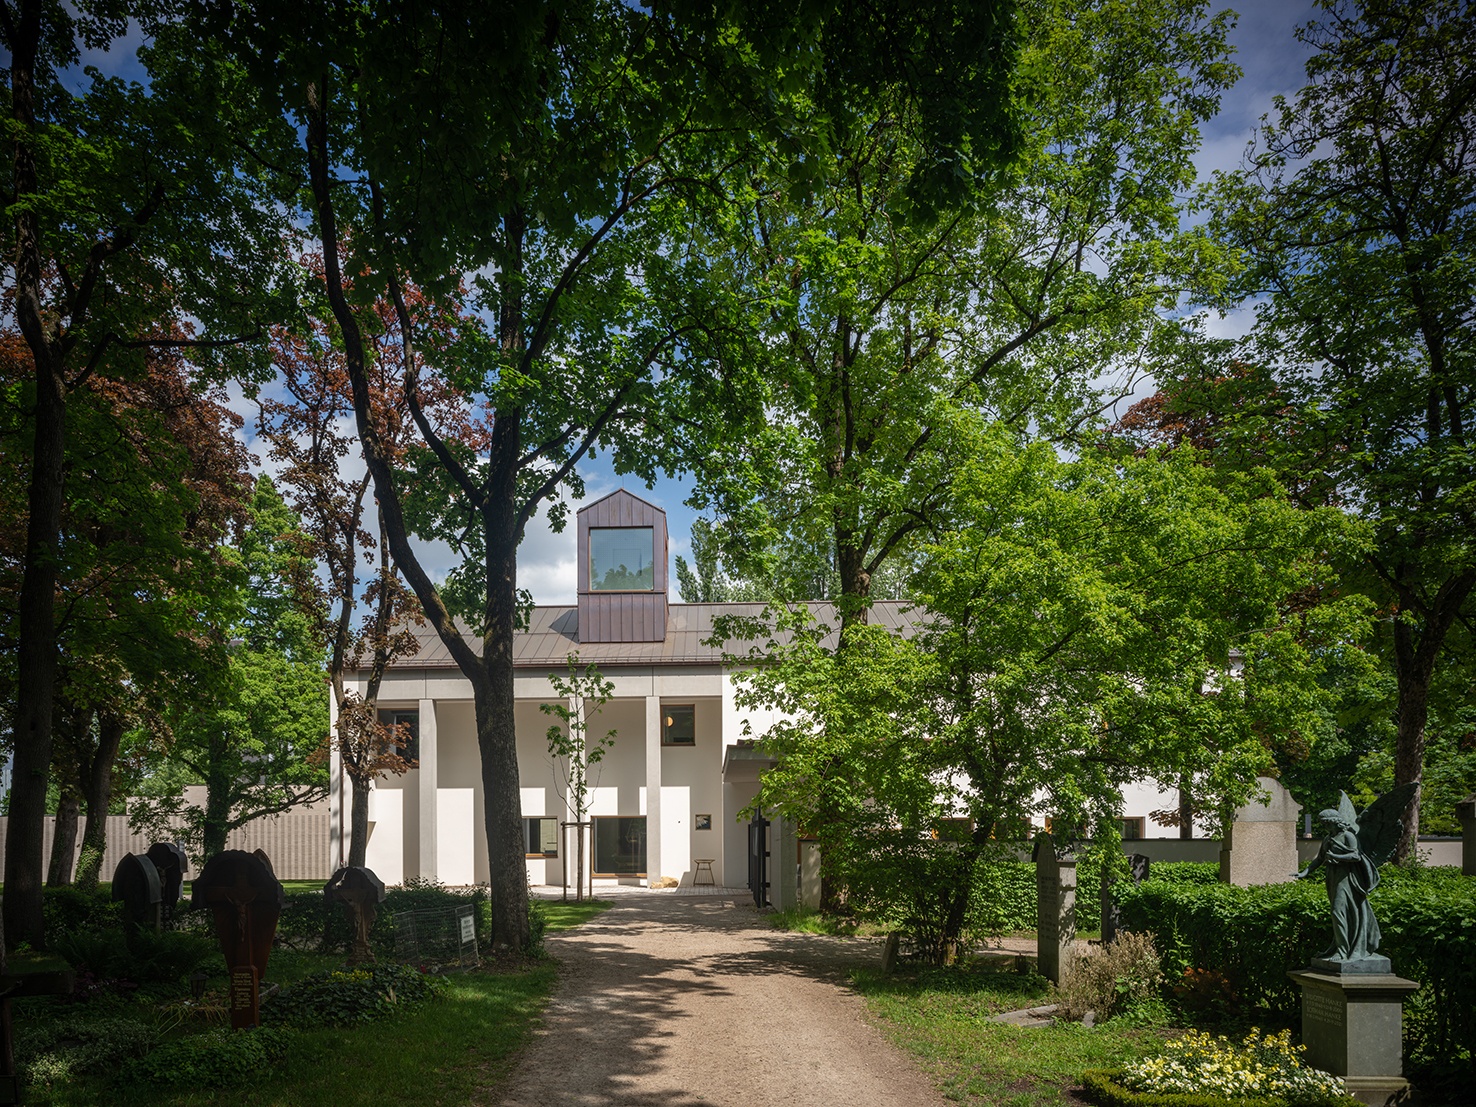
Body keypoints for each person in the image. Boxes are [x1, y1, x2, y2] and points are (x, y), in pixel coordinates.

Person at [1294, 807, 1382, 962]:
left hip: (1347, 879)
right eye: (1323, 824)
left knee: (1337, 911)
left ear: (1335, 822)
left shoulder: (1348, 836)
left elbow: (1356, 855)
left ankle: (1342, 952)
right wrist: (1305, 872)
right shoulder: (1328, 838)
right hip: (1333, 878)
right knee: (1339, 913)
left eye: (1327, 823)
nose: (1325, 827)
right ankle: (1340, 948)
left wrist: (1336, 856)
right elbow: (1319, 859)